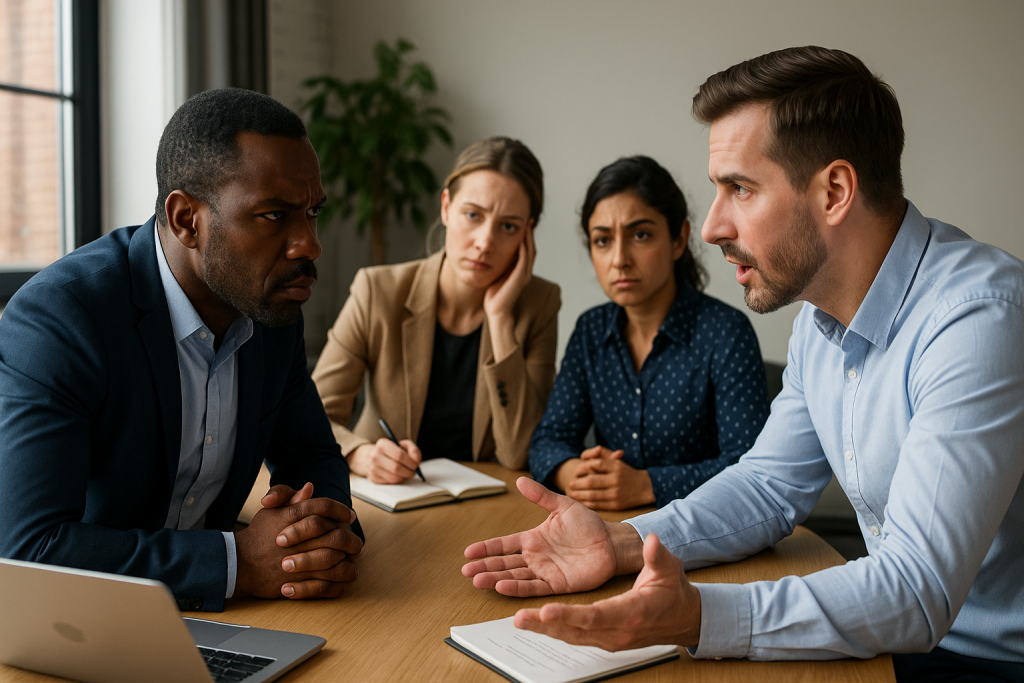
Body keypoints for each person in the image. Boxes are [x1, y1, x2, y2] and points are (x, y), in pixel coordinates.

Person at [462, 47, 1024, 681]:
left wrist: (698, 616)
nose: (710, 227)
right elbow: (767, 486)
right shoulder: (820, 320)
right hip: (900, 641)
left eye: (740, 189)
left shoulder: (979, 319)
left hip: (991, 661)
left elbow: (916, 592)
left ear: (834, 192)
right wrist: (623, 542)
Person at [0, 88, 364, 612]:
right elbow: (29, 552)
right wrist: (236, 563)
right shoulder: (61, 319)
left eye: (311, 213)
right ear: (186, 219)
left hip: (230, 617)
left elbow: (311, 455)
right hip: (82, 626)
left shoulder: (267, 306)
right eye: (274, 215)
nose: (309, 244)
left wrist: (316, 537)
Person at [312, 137, 560, 483]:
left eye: (508, 226)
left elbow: (519, 453)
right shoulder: (378, 291)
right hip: (389, 495)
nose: (485, 242)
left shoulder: (539, 304)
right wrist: (360, 454)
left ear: (527, 235)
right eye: (473, 215)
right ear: (446, 207)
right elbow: (311, 416)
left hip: (486, 502)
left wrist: (501, 317)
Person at [529, 156, 769, 510]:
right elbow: (549, 439)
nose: (619, 259)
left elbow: (751, 466)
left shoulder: (726, 333)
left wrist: (647, 485)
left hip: (705, 529)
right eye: (602, 240)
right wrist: (574, 474)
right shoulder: (591, 330)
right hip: (609, 525)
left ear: (678, 239)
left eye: (640, 235)